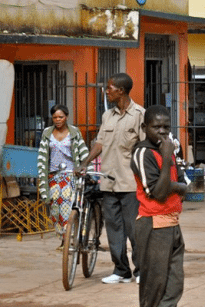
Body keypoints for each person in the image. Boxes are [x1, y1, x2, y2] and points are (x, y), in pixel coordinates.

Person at [80, 72, 145, 284]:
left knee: (134, 229)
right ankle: (121, 270)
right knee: (114, 230)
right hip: (107, 181)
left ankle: (140, 270)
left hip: (129, 182)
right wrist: (85, 162)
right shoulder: (107, 116)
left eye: (110, 88)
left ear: (121, 90)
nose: (106, 91)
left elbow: (145, 147)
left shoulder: (139, 115)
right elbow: (99, 143)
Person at [130, 105, 188, 307]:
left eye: (166, 127)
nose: (162, 132)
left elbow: (184, 185)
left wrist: (175, 185)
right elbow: (160, 193)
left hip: (172, 223)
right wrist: (165, 160)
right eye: (157, 127)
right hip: (153, 225)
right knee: (154, 287)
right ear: (145, 127)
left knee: (174, 285)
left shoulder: (169, 150)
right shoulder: (143, 153)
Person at [36, 104, 90, 244]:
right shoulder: (47, 133)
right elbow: (42, 158)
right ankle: (63, 238)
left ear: (66, 117)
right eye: (55, 117)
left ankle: (69, 240)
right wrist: (42, 179)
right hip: (53, 176)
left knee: (66, 205)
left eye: (61, 117)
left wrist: (86, 168)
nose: (58, 120)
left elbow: (83, 151)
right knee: (55, 209)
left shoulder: (74, 132)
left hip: (70, 175)